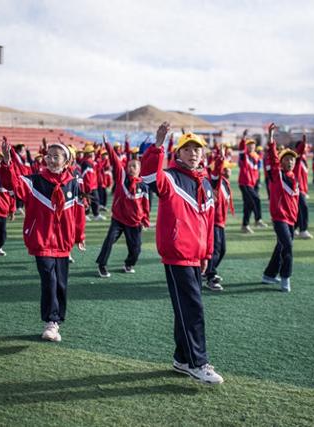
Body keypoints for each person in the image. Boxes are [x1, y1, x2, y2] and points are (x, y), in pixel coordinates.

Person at [141, 122, 223, 385]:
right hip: (177, 253)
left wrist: (207, 254)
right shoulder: (170, 177)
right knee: (193, 308)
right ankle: (198, 363)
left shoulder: (206, 183)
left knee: (185, 308)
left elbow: (209, 223)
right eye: (187, 149)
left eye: (197, 149)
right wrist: (157, 145)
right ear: (178, 153)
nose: (193, 154)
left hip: (195, 256)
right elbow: (149, 177)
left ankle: (182, 359)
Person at [0, 139, 86, 342]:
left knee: (61, 284)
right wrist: (7, 161)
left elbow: (78, 211)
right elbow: (11, 183)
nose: (51, 160)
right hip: (41, 241)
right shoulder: (34, 181)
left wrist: (79, 235)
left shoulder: (72, 183)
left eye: (57, 156)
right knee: (49, 280)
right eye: (49, 156)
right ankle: (51, 321)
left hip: (63, 243)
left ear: (66, 161)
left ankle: (57, 320)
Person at [96, 135, 150, 278]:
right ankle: (102, 265)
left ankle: (129, 263)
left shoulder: (143, 185)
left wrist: (145, 219)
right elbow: (114, 158)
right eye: (130, 166)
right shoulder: (122, 177)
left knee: (136, 249)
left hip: (135, 222)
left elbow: (146, 205)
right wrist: (107, 143)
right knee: (109, 241)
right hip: (119, 219)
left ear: (139, 169)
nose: (131, 168)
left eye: (135, 166)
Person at [261, 123, 299, 293]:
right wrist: (270, 137)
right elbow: (272, 155)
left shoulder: (294, 178)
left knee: (281, 247)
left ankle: (269, 275)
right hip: (280, 218)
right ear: (281, 161)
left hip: (291, 219)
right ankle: (285, 277)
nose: (289, 161)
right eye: (286, 159)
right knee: (288, 247)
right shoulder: (278, 175)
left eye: (292, 159)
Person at [204, 145, 235, 291]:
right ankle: (210, 276)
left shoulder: (226, 184)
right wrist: (220, 159)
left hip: (221, 222)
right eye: (226, 167)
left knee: (222, 251)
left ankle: (207, 271)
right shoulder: (214, 182)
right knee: (215, 250)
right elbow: (215, 171)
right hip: (214, 221)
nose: (229, 170)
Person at [238, 129, 266, 233]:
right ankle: (258, 219)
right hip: (244, 183)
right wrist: (243, 137)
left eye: (252, 145)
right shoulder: (244, 156)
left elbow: (258, 171)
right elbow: (241, 148)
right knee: (256, 199)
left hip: (252, 184)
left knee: (248, 204)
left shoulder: (256, 158)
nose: (251, 146)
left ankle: (245, 225)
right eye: (249, 145)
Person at [294, 135, 313, 239]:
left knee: (298, 210)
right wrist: (303, 142)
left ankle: (292, 228)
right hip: (297, 188)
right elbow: (300, 150)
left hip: (302, 189)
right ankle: (303, 230)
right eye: (305, 147)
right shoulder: (297, 157)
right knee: (303, 208)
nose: (307, 148)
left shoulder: (304, 158)